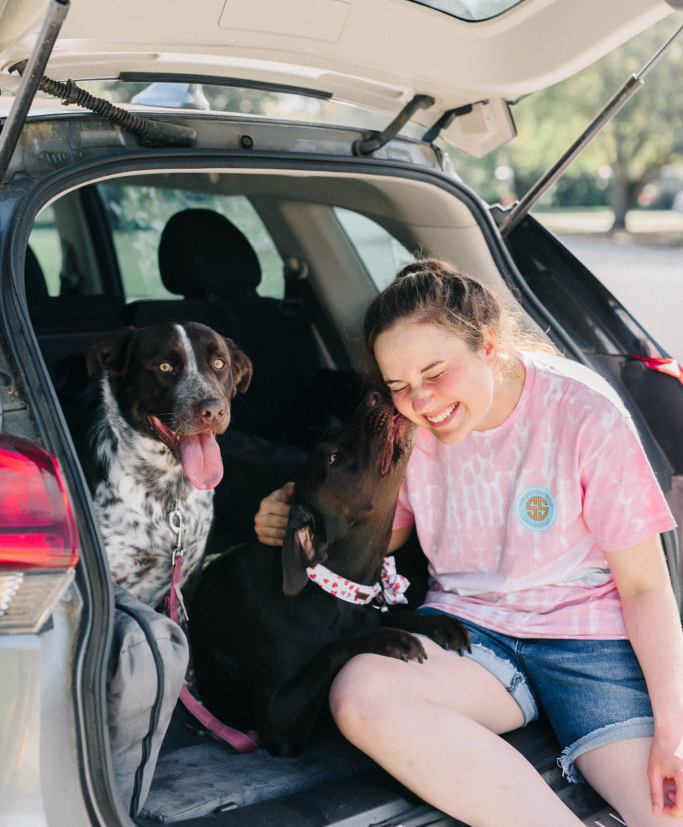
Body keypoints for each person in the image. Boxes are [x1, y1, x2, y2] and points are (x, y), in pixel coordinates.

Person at [254, 258, 683, 826]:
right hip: (470, 634)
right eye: (400, 386)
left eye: (435, 373)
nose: (423, 402)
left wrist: (674, 732)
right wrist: (295, 512)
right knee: (360, 694)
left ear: (487, 343)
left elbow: (646, 585)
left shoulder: (585, 412)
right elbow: (386, 535)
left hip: (590, 641)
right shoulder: (405, 428)